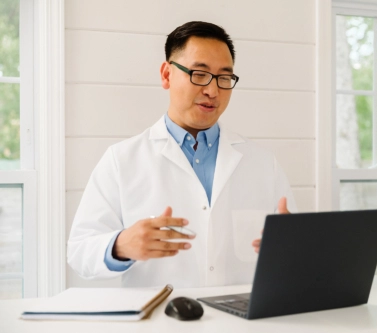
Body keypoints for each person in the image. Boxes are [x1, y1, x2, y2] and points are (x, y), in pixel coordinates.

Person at [67, 21, 296, 288]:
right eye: (199, 74)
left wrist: (295, 247)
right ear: (166, 74)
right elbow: (79, 251)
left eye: (224, 78)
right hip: (160, 321)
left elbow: (294, 249)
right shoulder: (122, 160)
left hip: (241, 321)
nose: (213, 91)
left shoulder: (263, 163)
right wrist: (121, 245)